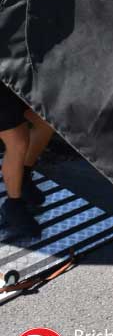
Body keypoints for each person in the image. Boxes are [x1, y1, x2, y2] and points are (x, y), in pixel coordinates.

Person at [0, 82, 54, 237]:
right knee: (17, 141)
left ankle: (22, 178)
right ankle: (13, 206)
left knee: (46, 121)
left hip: (12, 71)